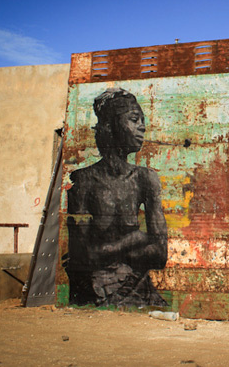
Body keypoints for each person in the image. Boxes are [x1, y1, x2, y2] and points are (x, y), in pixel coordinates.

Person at [66, 88, 168, 308]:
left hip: (138, 289)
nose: (142, 126)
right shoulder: (83, 181)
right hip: (94, 293)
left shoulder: (146, 179)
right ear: (110, 126)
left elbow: (160, 254)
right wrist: (135, 239)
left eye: (142, 120)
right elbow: (82, 256)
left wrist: (106, 251)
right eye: (134, 119)